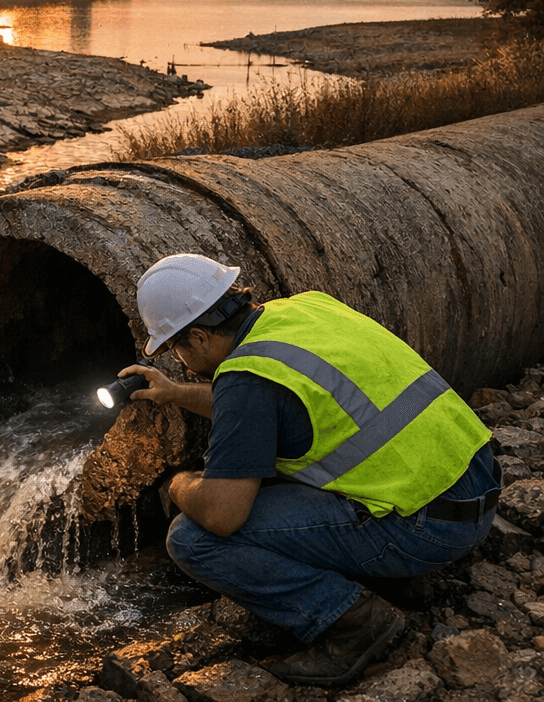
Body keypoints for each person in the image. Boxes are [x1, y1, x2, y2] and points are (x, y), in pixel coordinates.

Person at [118, 253, 499, 688]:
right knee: (276, 467)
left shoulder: (247, 379)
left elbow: (224, 515)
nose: (180, 362)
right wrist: (177, 393)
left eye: (174, 349)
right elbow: (266, 405)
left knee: (193, 538)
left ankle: (354, 623)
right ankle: (394, 574)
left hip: (430, 529)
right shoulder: (303, 309)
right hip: (474, 484)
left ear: (200, 337)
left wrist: (179, 485)